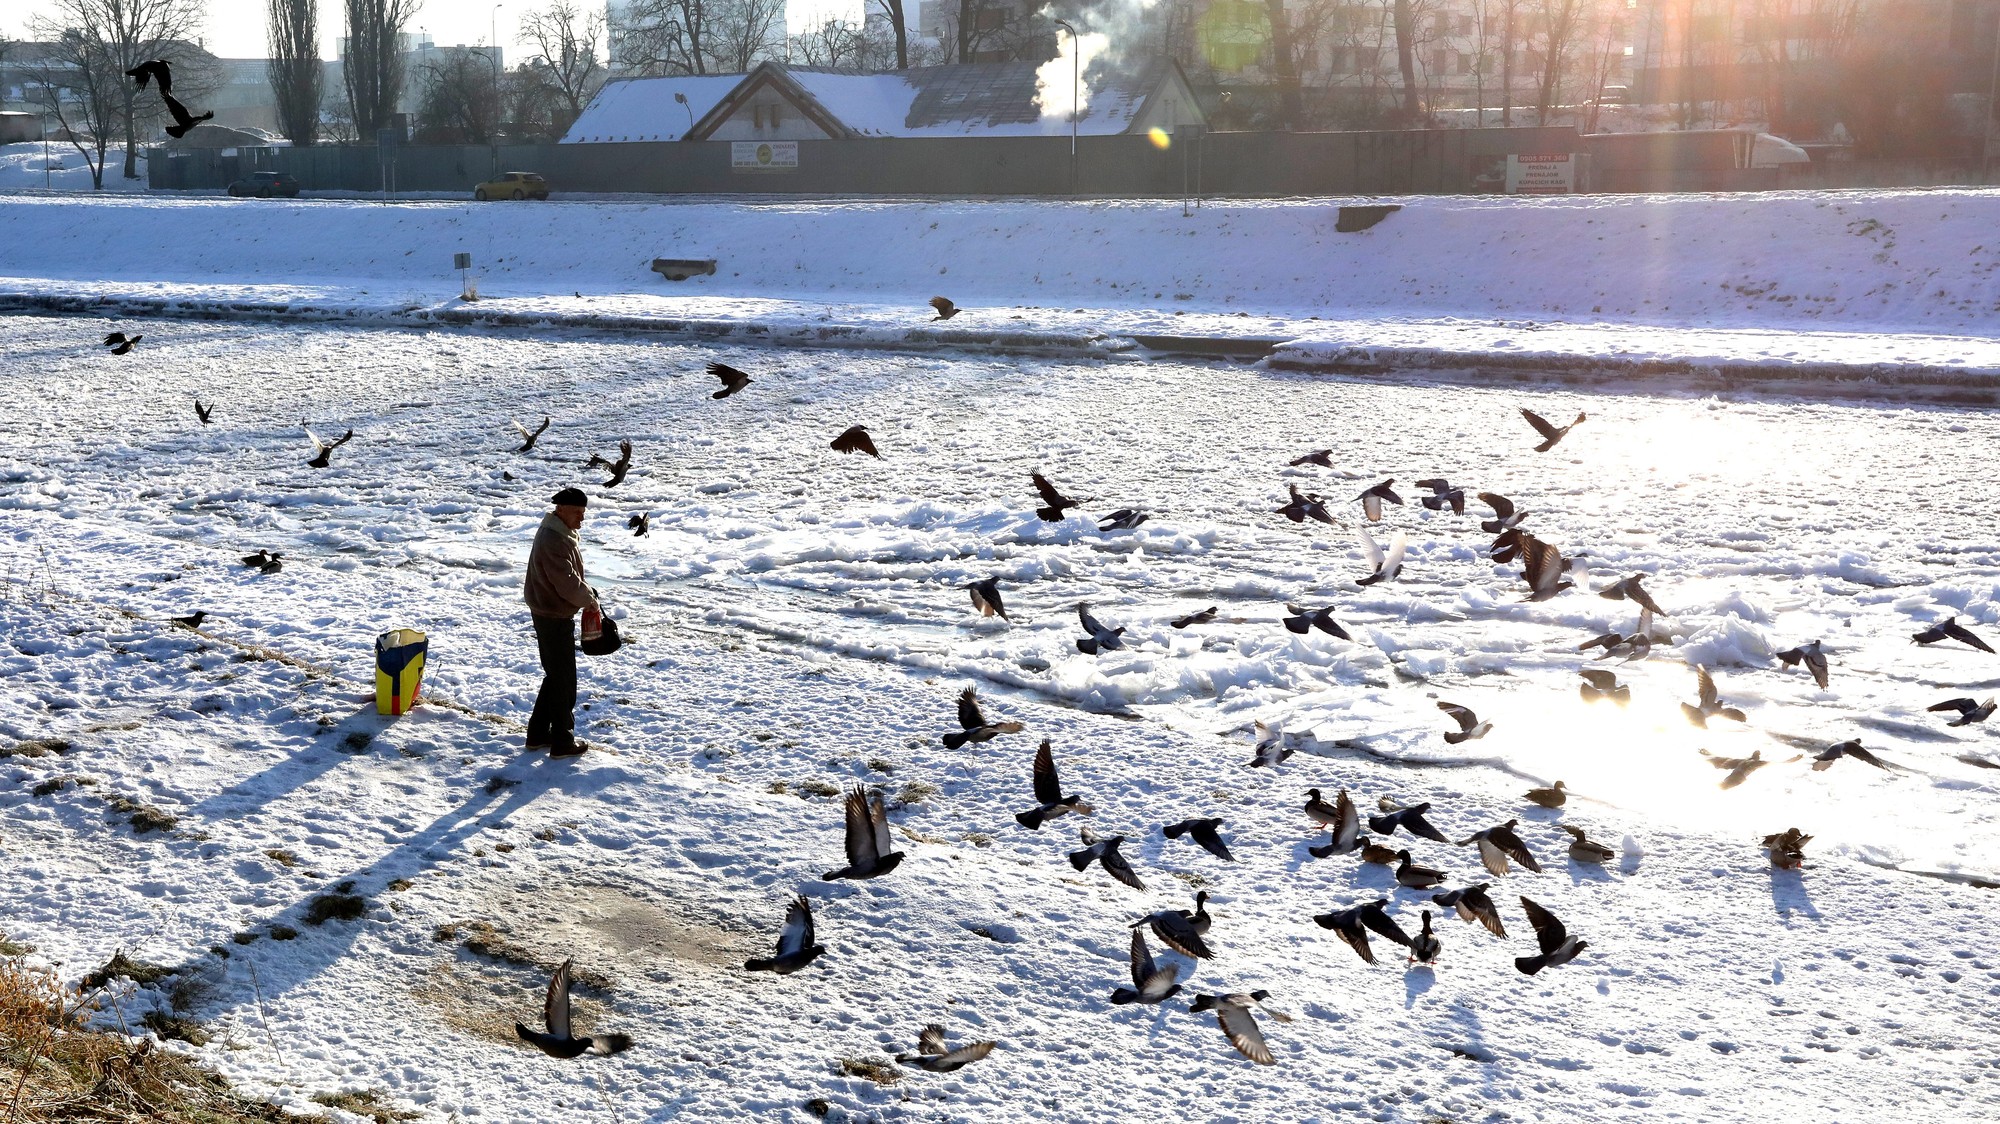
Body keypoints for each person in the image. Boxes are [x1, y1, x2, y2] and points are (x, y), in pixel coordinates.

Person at [525, 487, 599, 757]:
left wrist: (586, 593)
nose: (582, 519)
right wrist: (589, 599)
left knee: (555, 676)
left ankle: (537, 734)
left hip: (549, 611)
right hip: (552, 614)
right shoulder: (554, 539)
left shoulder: (557, 533)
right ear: (562, 509)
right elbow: (566, 583)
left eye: (583, 513)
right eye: (578, 513)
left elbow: (568, 580)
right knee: (564, 681)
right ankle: (562, 741)